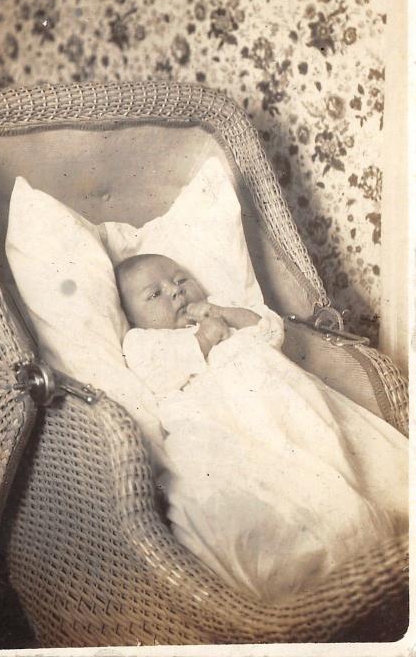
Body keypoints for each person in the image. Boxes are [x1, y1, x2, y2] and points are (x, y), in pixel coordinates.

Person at [115, 253, 408, 601]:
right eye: (155, 295)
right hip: (221, 416)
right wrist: (203, 339)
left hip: (285, 399)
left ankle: (379, 523)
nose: (176, 293)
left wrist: (224, 314)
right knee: (269, 483)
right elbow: (156, 372)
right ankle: (333, 548)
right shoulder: (143, 341)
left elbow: (268, 330)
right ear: (131, 316)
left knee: (337, 446)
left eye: (180, 280)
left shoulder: (220, 311)